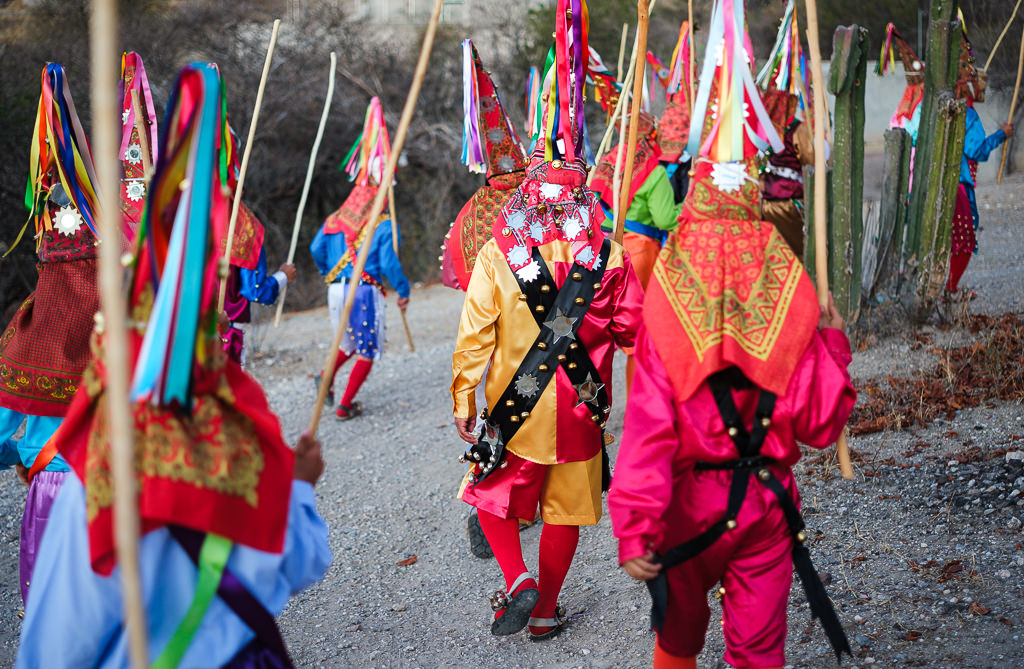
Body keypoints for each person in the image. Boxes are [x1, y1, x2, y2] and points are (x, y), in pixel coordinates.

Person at [17, 63, 331, 667]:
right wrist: (299, 487)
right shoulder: (243, 433)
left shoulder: (101, 471)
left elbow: (55, 646)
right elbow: (300, 561)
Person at [608, 4, 854, 667]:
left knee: (678, 640)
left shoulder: (668, 295)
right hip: (767, 506)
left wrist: (635, 524)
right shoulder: (792, 290)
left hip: (686, 508)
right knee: (757, 648)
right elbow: (823, 422)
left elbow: (649, 425)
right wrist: (829, 341)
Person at [451, 0, 644, 640]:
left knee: (488, 492)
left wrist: (462, 395)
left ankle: (517, 579)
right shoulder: (609, 254)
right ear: (583, 188)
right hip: (584, 406)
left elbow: (475, 329)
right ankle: (542, 611)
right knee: (565, 510)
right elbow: (635, 334)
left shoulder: (498, 251)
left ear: (531, 188)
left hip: (517, 404)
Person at [0, 63, 106, 606]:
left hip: (55, 489)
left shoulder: (27, 340)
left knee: (54, 619)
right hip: (123, 497)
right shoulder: (132, 335)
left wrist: (19, 451)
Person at [311, 97, 410, 420]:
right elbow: (390, 264)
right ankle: (344, 406)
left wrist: (330, 272)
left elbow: (315, 248)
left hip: (336, 290)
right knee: (366, 349)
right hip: (364, 291)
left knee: (348, 343)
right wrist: (403, 290)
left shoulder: (336, 217)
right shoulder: (382, 223)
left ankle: (325, 380)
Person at [220, 202, 296, 364]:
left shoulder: (188, 223)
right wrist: (283, 276)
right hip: (228, 331)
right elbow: (255, 291)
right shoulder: (245, 228)